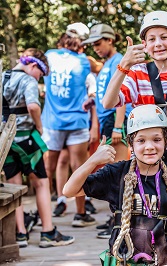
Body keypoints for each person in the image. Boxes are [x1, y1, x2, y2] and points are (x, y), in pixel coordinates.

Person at [63, 104, 167, 265]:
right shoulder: (117, 174)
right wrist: (93, 160)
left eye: (157, 139)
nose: (150, 146)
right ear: (131, 144)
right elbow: (69, 190)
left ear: (166, 141)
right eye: (141, 140)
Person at [102, 10, 167, 191]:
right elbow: (108, 103)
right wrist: (124, 66)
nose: (158, 44)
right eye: (151, 39)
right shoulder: (137, 73)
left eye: (163, 37)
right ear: (144, 45)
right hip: (145, 162)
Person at [2, 48, 74, 248]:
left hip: (6, 141)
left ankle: (21, 234)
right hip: (26, 140)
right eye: (40, 74)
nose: (39, 78)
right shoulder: (29, 80)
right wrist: (40, 127)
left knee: (14, 186)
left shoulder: (2, 77)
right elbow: (33, 106)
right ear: (34, 66)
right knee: (42, 183)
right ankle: (48, 232)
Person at [81, 23, 133, 238]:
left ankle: (121, 220)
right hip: (106, 120)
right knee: (113, 170)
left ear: (110, 40)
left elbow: (121, 94)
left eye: (98, 43)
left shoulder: (119, 60)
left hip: (115, 121)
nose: (96, 48)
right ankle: (115, 217)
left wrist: (119, 126)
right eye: (92, 45)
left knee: (119, 171)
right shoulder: (107, 63)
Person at [42, 24, 97, 227]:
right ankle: (80, 215)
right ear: (82, 43)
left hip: (52, 122)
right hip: (77, 120)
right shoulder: (83, 62)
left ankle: (45, 216)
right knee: (79, 168)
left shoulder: (48, 56)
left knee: (48, 169)